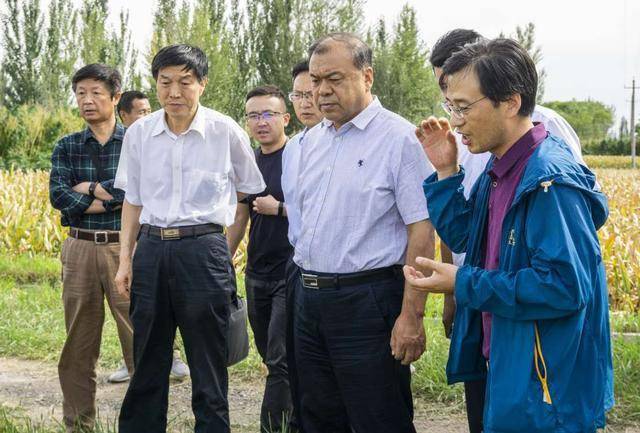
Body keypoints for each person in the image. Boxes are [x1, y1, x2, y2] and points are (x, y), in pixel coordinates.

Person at [408, 38, 614, 433]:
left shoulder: (549, 181)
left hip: (545, 382)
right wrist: (447, 172)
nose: (455, 121)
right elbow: (470, 238)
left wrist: (463, 282)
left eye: (464, 108)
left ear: (511, 102)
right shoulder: (500, 166)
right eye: (451, 107)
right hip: (510, 360)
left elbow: (564, 287)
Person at [114, 44, 265, 433]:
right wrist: (125, 261)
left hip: (204, 250)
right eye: (165, 83)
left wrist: (221, 251)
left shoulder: (224, 130)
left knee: (207, 361)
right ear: (156, 84)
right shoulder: (140, 134)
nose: (174, 92)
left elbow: (247, 194)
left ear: (203, 84)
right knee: (147, 356)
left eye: (185, 82)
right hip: (151, 248)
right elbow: (132, 201)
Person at [290, 32, 435, 433]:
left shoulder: (400, 139)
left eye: (334, 79)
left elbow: (421, 232)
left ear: (367, 77)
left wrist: (412, 314)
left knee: (378, 416)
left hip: (368, 302)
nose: (322, 91)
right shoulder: (312, 140)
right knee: (317, 415)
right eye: (316, 80)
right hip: (309, 298)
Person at [49, 63, 133, 432]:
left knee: (137, 335)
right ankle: (79, 424)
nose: (87, 100)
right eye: (81, 93)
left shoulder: (136, 141)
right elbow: (58, 195)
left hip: (125, 247)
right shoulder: (66, 145)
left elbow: (132, 194)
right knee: (79, 342)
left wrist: (88, 188)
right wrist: (107, 194)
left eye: (96, 92)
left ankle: (142, 420)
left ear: (115, 97)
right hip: (79, 249)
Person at [226, 84, 294, 433]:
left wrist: (279, 208)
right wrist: (224, 259)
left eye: (268, 114)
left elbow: (320, 211)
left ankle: (273, 427)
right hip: (257, 272)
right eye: (253, 115)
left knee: (281, 358)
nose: (261, 122)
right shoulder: (248, 162)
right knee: (271, 355)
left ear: (286, 117)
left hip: (291, 271)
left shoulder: (298, 156)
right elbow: (239, 216)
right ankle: (297, 418)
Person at [111, 89, 190, 383]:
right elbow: (129, 199)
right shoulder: (136, 140)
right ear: (125, 116)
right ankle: (134, 362)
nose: (148, 115)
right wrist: (126, 257)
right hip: (146, 242)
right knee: (144, 317)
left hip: (190, 245)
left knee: (191, 321)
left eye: (148, 110)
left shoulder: (217, 131)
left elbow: (241, 191)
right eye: (140, 112)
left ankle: (175, 357)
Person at [280, 58, 324, 433]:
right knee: (305, 379)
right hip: (300, 271)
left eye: (313, 93)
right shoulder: (293, 148)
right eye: (299, 94)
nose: (307, 101)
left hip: (358, 282)